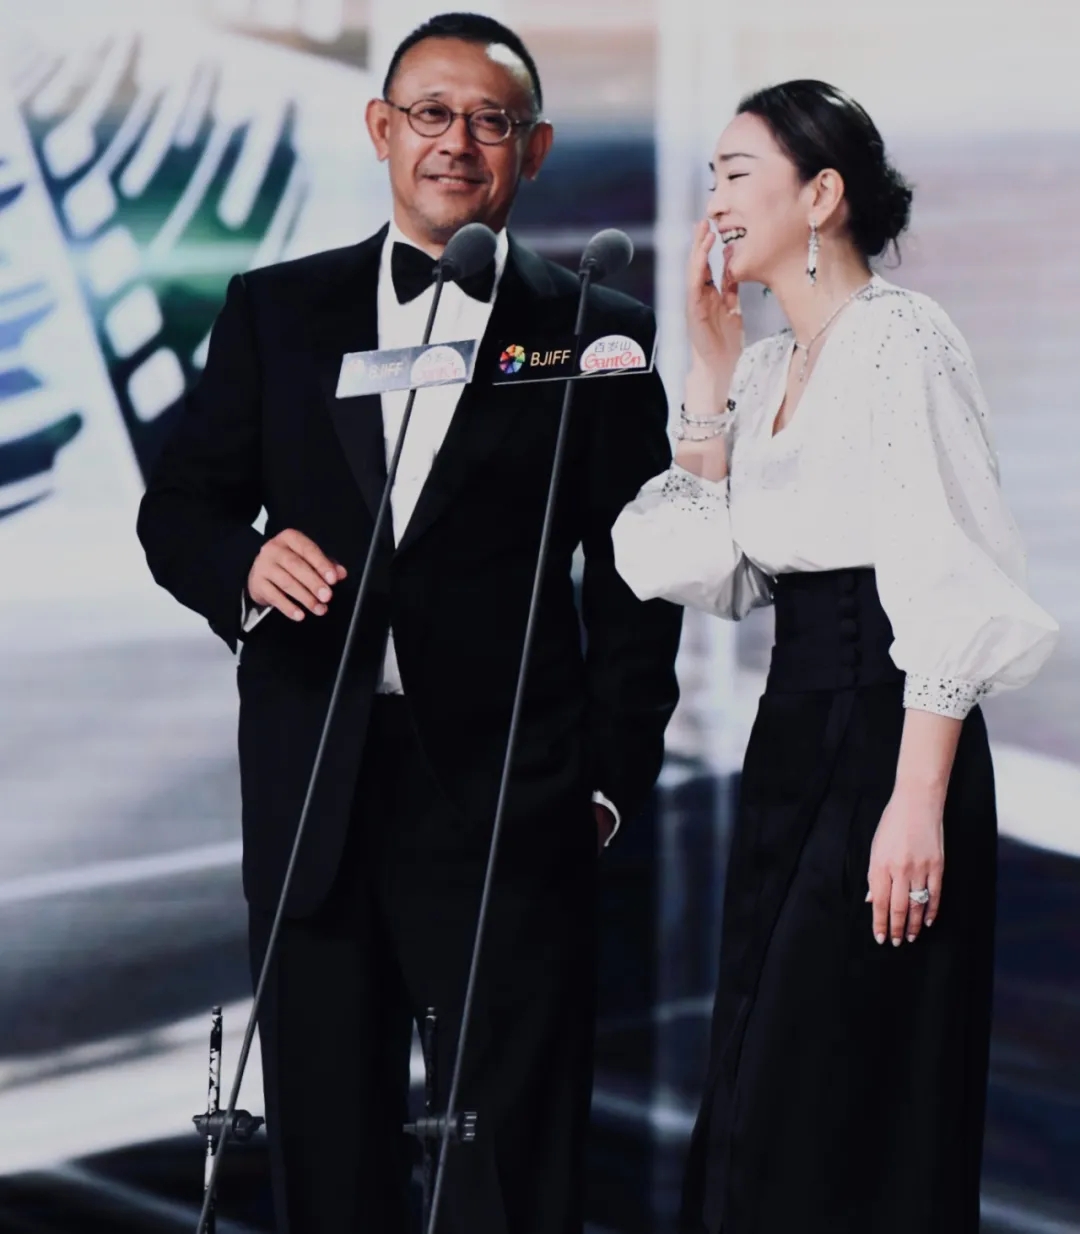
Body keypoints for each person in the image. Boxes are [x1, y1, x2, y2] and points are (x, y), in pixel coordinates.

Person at [136, 13, 682, 1233]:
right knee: (328, 1154)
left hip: (510, 797)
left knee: (514, 1160)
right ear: (380, 127)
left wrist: (604, 782)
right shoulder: (277, 309)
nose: (457, 142)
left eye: (492, 120)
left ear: (535, 148)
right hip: (314, 783)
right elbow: (179, 508)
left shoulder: (597, 332)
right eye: (432, 113)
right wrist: (245, 562)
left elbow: (639, 577)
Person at [611, 79, 1058, 1234]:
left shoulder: (902, 337)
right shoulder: (766, 369)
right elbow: (710, 569)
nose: (715, 199)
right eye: (710, 175)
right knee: (761, 1078)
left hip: (891, 741)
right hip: (792, 740)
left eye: (738, 172)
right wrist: (707, 375)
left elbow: (952, 576)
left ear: (820, 196)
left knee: (847, 1089)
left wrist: (917, 802)